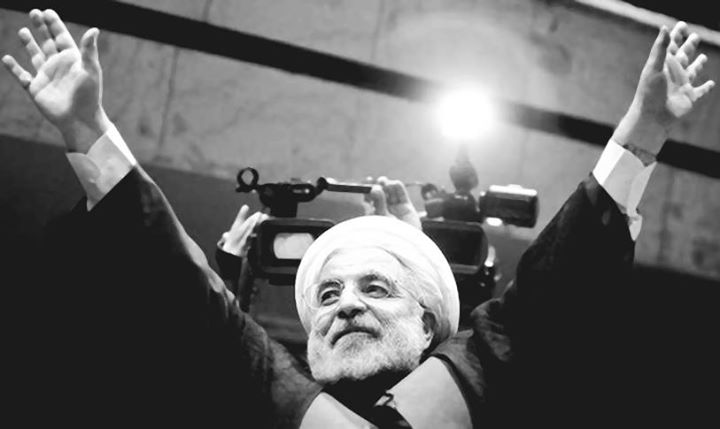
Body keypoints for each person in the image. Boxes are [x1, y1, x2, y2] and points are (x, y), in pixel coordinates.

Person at [3, 8, 714, 428]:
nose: (344, 305)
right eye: (327, 295)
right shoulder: (271, 395)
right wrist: (87, 129)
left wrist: (644, 129)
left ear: (431, 324)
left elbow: (558, 288)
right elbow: (181, 289)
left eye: (376, 287)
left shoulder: (479, 383)